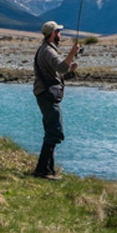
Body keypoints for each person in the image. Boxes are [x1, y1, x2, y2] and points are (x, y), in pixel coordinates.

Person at [32, 20, 79, 179]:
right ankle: (42, 170)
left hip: (45, 94)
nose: (60, 34)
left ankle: (49, 170)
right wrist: (71, 54)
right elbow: (59, 67)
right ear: (53, 34)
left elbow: (56, 76)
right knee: (54, 133)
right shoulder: (48, 51)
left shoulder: (45, 49)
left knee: (50, 132)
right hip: (48, 96)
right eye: (59, 32)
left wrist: (70, 71)